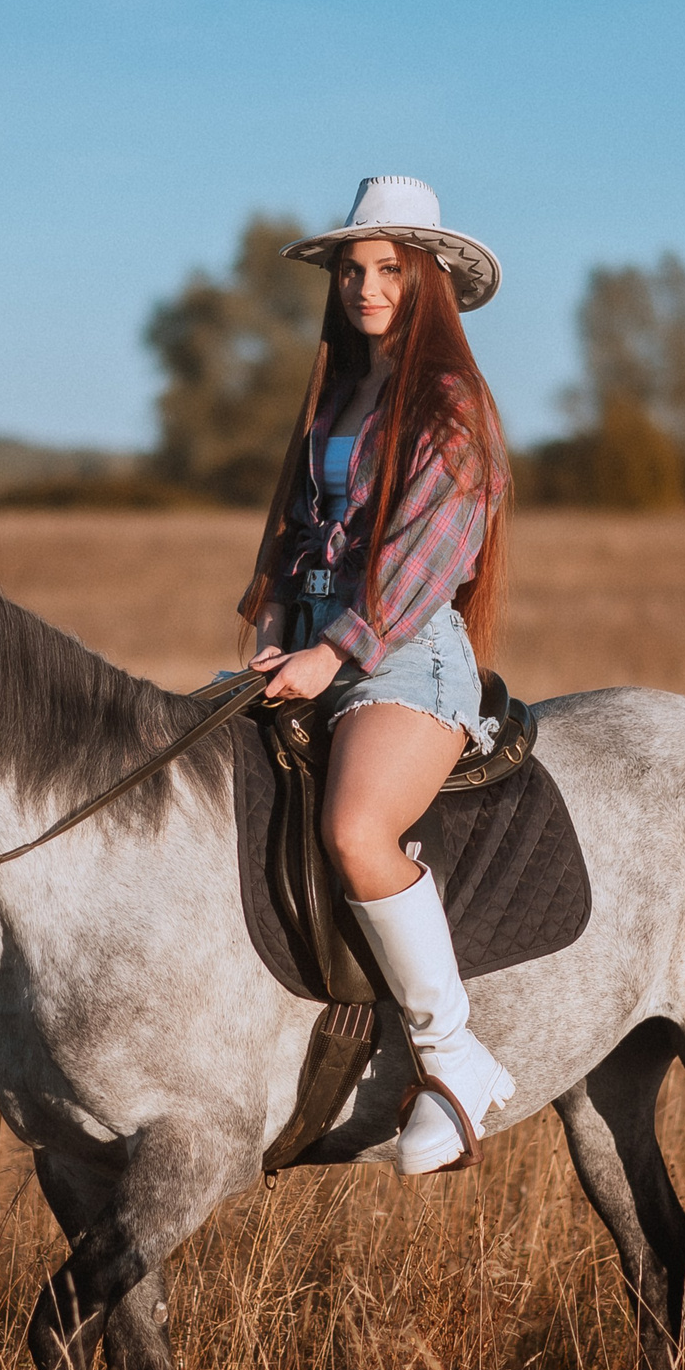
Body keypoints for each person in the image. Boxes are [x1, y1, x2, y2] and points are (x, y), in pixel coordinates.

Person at [242, 175, 515, 1175]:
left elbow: (425, 560)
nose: (364, 287)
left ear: (426, 281)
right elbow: (298, 526)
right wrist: (276, 617)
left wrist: (329, 651)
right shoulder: (338, 390)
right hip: (315, 642)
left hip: (403, 657)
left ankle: (453, 1061)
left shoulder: (449, 404)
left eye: (388, 271)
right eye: (352, 270)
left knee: (355, 830)